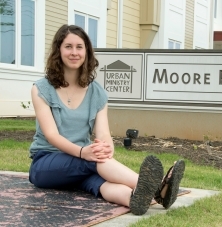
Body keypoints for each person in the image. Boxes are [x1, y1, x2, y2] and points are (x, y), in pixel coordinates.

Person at [28, 24, 185, 215]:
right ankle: (159, 188)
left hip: (83, 160)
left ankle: (134, 197)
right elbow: (51, 135)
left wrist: (107, 148)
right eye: (68, 46)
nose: (74, 52)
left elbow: (103, 133)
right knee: (94, 161)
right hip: (46, 164)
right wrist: (83, 152)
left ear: (87, 52)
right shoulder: (42, 88)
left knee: (101, 182)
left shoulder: (97, 92)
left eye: (79, 47)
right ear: (58, 50)